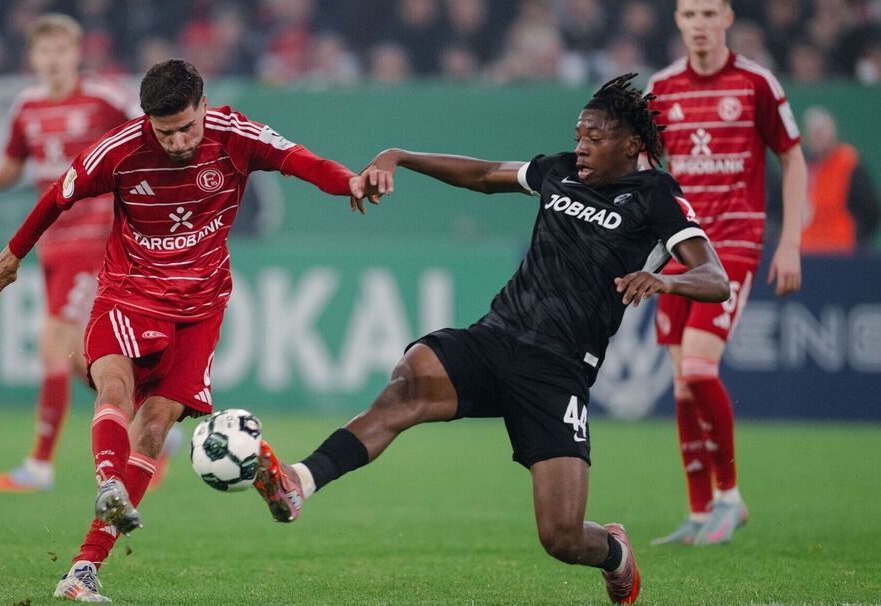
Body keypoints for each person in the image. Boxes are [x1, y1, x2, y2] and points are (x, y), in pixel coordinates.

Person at [253, 74, 731, 605]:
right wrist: (401, 156)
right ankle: (300, 481)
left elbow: (715, 279)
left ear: (631, 144)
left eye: (595, 139)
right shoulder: (559, 171)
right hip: (498, 336)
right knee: (410, 381)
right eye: (579, 136)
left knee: (561, 537)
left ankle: (614, 551)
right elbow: (483, 175)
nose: (581, 147)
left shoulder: (657, 196)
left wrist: (667, 281)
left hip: (559, 369)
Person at [0, 59, 366, 603]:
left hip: (199, 308)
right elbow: (58, 195)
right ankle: (109, 483)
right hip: (128, 292)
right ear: (148, 121)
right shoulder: (119, 149)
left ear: (203, 105)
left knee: (156, 424)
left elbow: (301, 161)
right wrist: (13, 254)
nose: (178, 142)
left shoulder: (236, 135)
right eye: (165, 132)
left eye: (187, 128)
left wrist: (349, 181)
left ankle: (82, 571)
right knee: (114, 386)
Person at [0, 14, 182, 493]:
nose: (53, 59)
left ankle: (40, 466)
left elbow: (151, 133)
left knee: (53, 340)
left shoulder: (104, 97)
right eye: (45, 50)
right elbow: (13, 164)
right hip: (52, 241)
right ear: (32, 56)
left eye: (61, 49)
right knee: (73, 354)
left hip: (95, 236)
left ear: (77, 53)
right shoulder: (27, 106)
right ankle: (155, 421)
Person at [646, 0, 807, 546]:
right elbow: (648, 168)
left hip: (734, 246)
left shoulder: (756, 83)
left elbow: (793, 157)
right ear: (678, 20)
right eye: (690, 14)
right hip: (679, 248)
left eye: (709, 13)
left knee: (698, 368)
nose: (700, 24)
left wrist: (791, 242)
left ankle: (731, 498)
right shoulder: (662, 88)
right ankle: (699, 512)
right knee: (682, 384)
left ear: (728, 19)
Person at [798, 106, 879, 253]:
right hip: (807, 250)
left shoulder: (850, 163)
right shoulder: (803, 167)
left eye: (822, 132)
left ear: (833, 131)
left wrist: (857, 240)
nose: (818, 137)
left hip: (841, 250)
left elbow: (870, 210)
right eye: (814, 133)